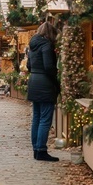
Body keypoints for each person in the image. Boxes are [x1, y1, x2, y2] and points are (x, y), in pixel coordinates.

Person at [26, 21, 60, 162]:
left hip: (34, 80)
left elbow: (28, 65)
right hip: (45, 83)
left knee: (37, 117)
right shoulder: (46, 45)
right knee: (45, 119)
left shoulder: (33, 46)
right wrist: (55, 77)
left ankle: (36, 148)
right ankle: (41, 149)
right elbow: (48, 66)